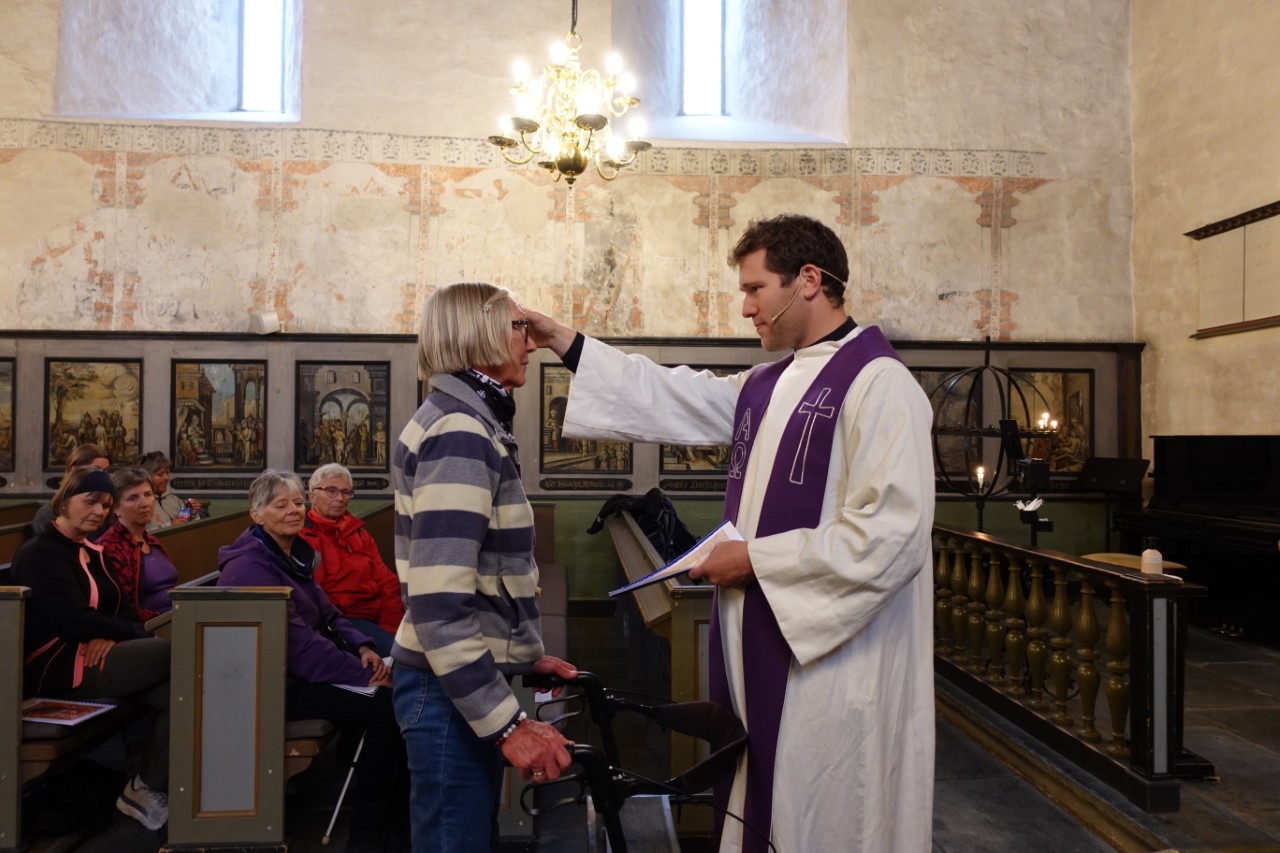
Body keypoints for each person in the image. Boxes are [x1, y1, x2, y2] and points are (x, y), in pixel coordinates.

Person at [528, 214, 937, 853]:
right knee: (765, 795)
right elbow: (669, 397)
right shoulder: (768, 383)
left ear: (808, 280)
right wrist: (565, 340)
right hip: (762, 637)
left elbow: (893, 535)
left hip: (833, 661)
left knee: (823, 805)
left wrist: (756, 560)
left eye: (754, 289)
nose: (745, 308)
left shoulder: (883, 386)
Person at [392, 281, 577, 852]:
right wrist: (509, 725)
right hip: (445, 691)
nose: (533, 342)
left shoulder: (470, 419)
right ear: (481, 335)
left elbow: (479, 576)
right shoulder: (461, 431)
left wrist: (520, 649)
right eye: (520, 327)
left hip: (453, 680)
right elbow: (440, 606)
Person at [216, 469, 406, 852]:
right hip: (274, 684)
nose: (294, 511)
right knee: (389, 708)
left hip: (303, 673)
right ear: (256, 514)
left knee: (399, 694)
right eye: (280, 504)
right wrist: (363, 675)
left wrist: (364, 647)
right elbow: (299, 647)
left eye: (298, 503)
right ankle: (369, 835)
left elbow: (331, 613)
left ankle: (394, 821)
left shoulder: (291, 554)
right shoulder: (252, 566)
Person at [12, 468, 172, 831]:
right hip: (59, 664)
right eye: (90, 502)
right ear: (64, 500)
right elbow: (73, 618)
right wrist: (124, 634)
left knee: (177, 691)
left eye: (104, 504)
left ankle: (146, 785)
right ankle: (146, 785)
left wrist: (116, 636)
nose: (99, 512)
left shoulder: (93, 552)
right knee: (177, 651)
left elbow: (124, 611)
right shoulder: (40, 553)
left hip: (97, 655)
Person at [299, 462, 404, 656]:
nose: (340, 498)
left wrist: (390, 627)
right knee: (403, 660)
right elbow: (314, 596)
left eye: (346, 492)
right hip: (340, 621)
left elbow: (387, 582)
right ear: (312, 495)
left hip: (378, 619)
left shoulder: (360, 535)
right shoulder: (300, 537)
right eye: (331, 491)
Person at [97, 467, 180, 622]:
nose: (144, 503)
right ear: (115, 507)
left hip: (176, 617)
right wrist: (169, 618)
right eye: (132, 498)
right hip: (148, 628)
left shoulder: (153, 542)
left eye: (148, 495)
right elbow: (122, 610)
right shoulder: (110, 547)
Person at [30, 443, 110, 536]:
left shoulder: (103, 509)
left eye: (106, 471)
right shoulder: (48, 515)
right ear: (73, 470)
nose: (103, 477)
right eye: (97, 470)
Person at [137, 451, 203, 529]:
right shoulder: (139, 504)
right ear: (146, 476)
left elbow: (193, 529)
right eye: (160, 474)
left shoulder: (175, 500)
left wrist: (192, 514)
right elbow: (138, 535)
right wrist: (170, 525)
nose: (166, 478)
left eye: (167, 473)